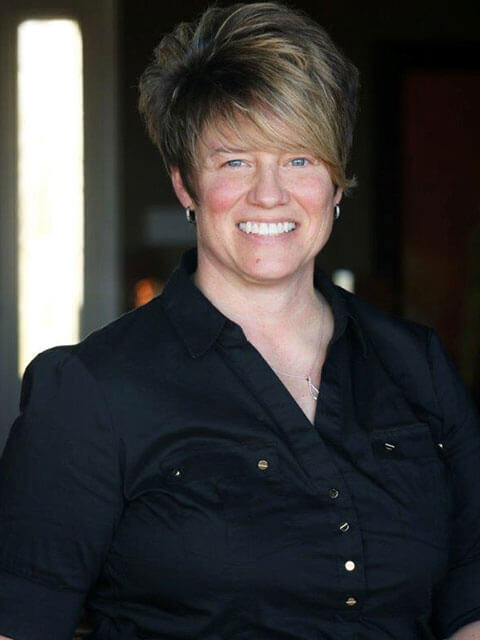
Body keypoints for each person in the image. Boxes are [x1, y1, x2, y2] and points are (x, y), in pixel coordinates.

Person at [0, 2, 479, 639]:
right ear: (185, 185)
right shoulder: (91, 390)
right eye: (234, 161)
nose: (270, 194)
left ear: (337, 185)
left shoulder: (416, 364)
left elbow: (472, 595)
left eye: (300, 159)